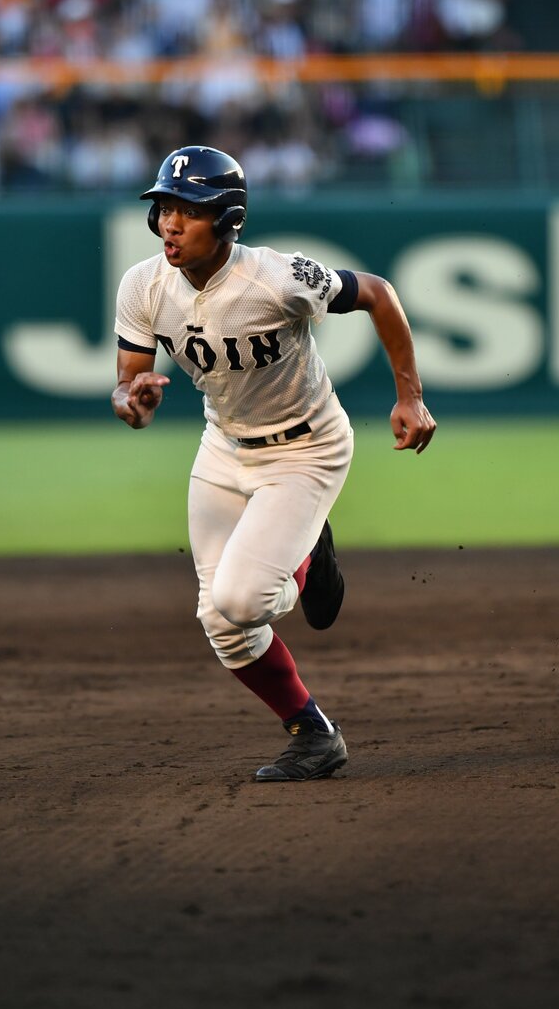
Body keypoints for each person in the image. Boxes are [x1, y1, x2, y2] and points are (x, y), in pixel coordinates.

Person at [111, 145, 436, 782]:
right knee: (221, 622)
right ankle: (314, 736)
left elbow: (377, 293)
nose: (170, 223)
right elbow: (128, 391)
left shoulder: (277, 278)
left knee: (241, 599)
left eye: (189, 210)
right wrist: (132, 401)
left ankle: (307, 552)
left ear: (227, 219)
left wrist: (410, 396)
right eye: (164, 208)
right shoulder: (143, 285)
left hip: (306, 448)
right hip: (224, 445)